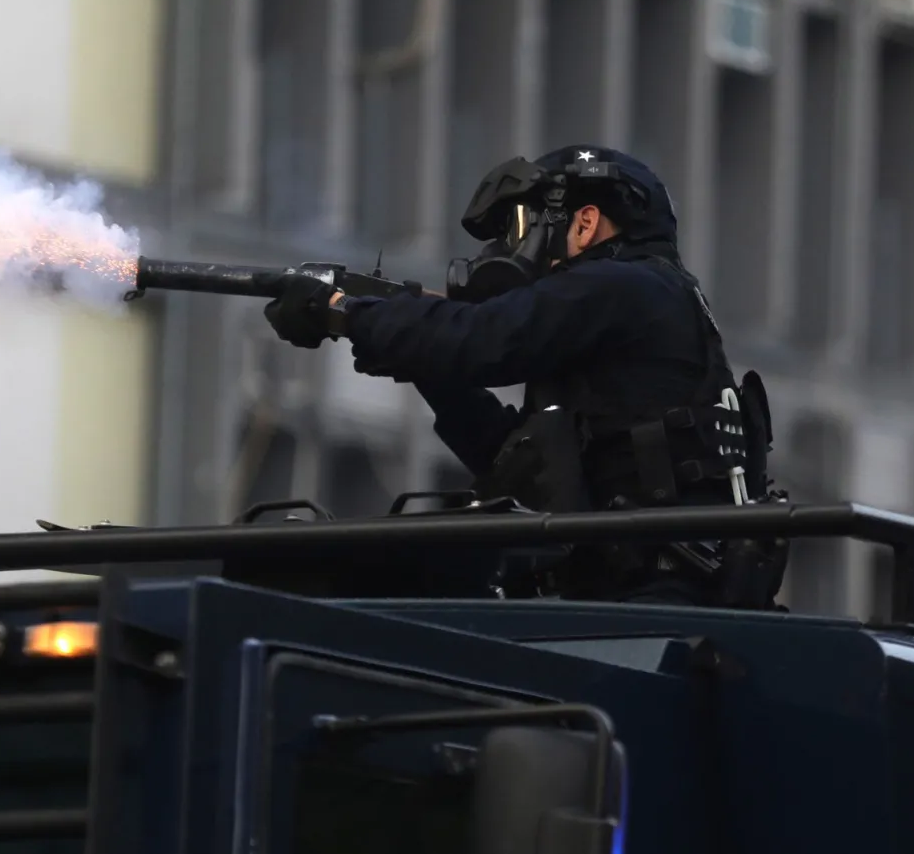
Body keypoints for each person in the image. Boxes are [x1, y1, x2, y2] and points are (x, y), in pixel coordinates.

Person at [261, 144, 785, 608]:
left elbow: (484, 341)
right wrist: (420, 357)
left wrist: (349, 312)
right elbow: (517, 461)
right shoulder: (628, 317)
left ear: (585, 224)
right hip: (621, 591)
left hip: (652, 598)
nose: (512, 251)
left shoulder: (625, 286)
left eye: (522, 227)